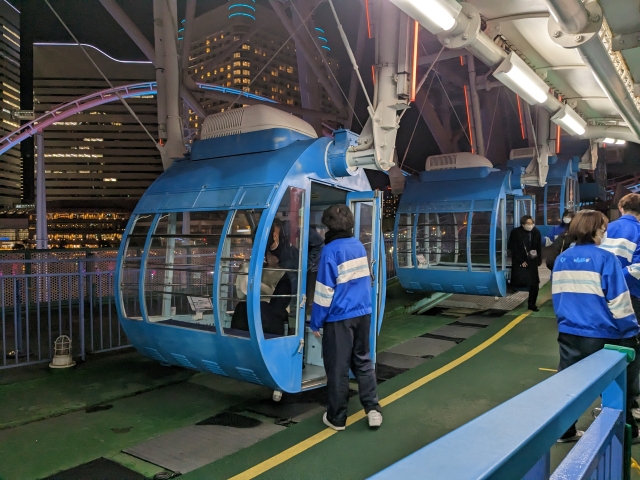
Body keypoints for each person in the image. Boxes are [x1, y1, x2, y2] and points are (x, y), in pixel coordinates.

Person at [552, 210, 640, 442]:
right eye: (603, 228)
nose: (605, 232)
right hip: (605, 334)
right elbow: (619, 301)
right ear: (595, 230)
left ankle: (565, 431)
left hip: (569, 332)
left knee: (569, 383)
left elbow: (558, 297)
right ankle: (626, 432)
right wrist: (631, 332)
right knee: (618, 383)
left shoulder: (562, 259)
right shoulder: (606, 259)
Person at [310, 204, 382, 431]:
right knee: (363, 361)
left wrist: (316, 321)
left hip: (339, 317)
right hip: (363, 313)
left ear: (328, 226)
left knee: (338, 368)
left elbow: (324, 292)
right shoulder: (358, 245)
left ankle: (337, 418)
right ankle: (373, 409)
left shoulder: (330, 250)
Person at [508, 215, 542, 311]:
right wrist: (521, 260)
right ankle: (511, 289)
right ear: (523, 224)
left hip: (532, 261)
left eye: (532, 223)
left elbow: (538, 247)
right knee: (521, 280)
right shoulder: (516, 232)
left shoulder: (536, 232)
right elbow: (513, 248)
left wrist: (538, 260)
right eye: (528, 223)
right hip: (521, 261)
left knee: (535, 284)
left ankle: (532, 304)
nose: (530, 225)